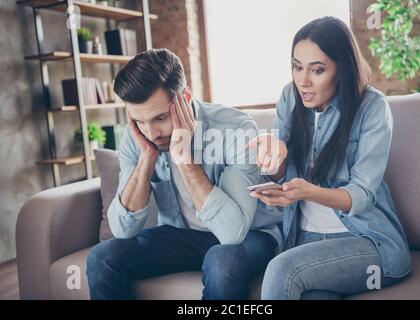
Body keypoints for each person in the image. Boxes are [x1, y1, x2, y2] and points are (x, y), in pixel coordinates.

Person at [86, 48, 282, 300]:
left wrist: (185, 161)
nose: (152, 132)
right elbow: (123, 229)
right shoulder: (138, 137)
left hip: (251, 234)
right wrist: (146, 159)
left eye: (160, 117)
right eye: (140, 121)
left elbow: (233, 233)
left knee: (221, 262)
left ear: (185, 97)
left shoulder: (235, 128)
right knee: (102, 258)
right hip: (180, 234)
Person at [247, 16, 411, 300]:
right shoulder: (290, 97)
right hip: (304, 240)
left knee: (282, 270)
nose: (303, 81)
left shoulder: (372, 108)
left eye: (317, 70)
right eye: (297, 67)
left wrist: (310, 192)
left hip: (367, 243)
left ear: (342, 70)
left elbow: (361, 194)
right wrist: (275, 163)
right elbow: (282, 176)